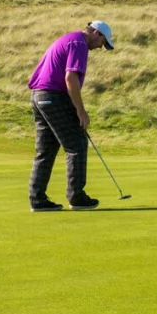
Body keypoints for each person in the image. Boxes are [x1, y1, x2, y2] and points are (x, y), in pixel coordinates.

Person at [27, 21, 115, 211]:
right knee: (77, 144)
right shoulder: (79, 44)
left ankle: (37, 199)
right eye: (102, 42)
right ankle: (77, 197)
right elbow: (70, 78)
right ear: (96, 33)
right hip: (53, 96)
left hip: (38, 96)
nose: (100, 47)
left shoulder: (69, 39)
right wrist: (80, 111)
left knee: (46, 150)